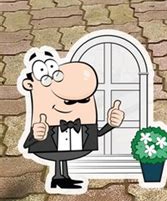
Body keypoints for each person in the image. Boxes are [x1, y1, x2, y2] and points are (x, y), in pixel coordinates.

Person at [20, 48, 124, 191]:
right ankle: (59, 177)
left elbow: (97, 133)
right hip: (51, 145)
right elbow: (27, 144)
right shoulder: (44, 120)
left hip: (73, 146)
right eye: (68, 101)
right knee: (59, 156)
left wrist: (111, 124)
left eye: (85, 100)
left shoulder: (84, 123)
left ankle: (62, 177)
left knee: (62, 157)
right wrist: (36, 136)